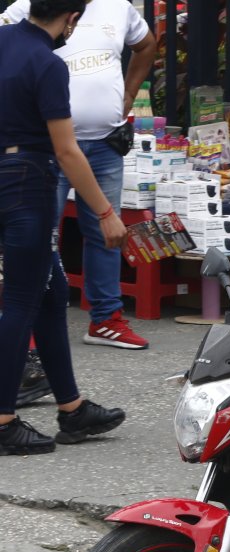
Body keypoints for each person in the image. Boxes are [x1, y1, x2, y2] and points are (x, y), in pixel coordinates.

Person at [0, 0, 128, 456]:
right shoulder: (49, 64)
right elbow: (68, 150)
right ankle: (4, 420)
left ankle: (72, 409)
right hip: (28, 185)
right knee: (20, 298)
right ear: (71, 18)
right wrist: (104, 212)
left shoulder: (2, 40)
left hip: (7, 178)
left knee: (52, 294)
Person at [3, 0, 155, 350]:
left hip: (104, 141)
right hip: (50, 145)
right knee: (39, 235)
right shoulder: (34, 5)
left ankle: (105, 319)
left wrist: (130, 92)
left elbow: (146, 44)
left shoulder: (118, 7)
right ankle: (25, 321)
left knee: (106, 235)